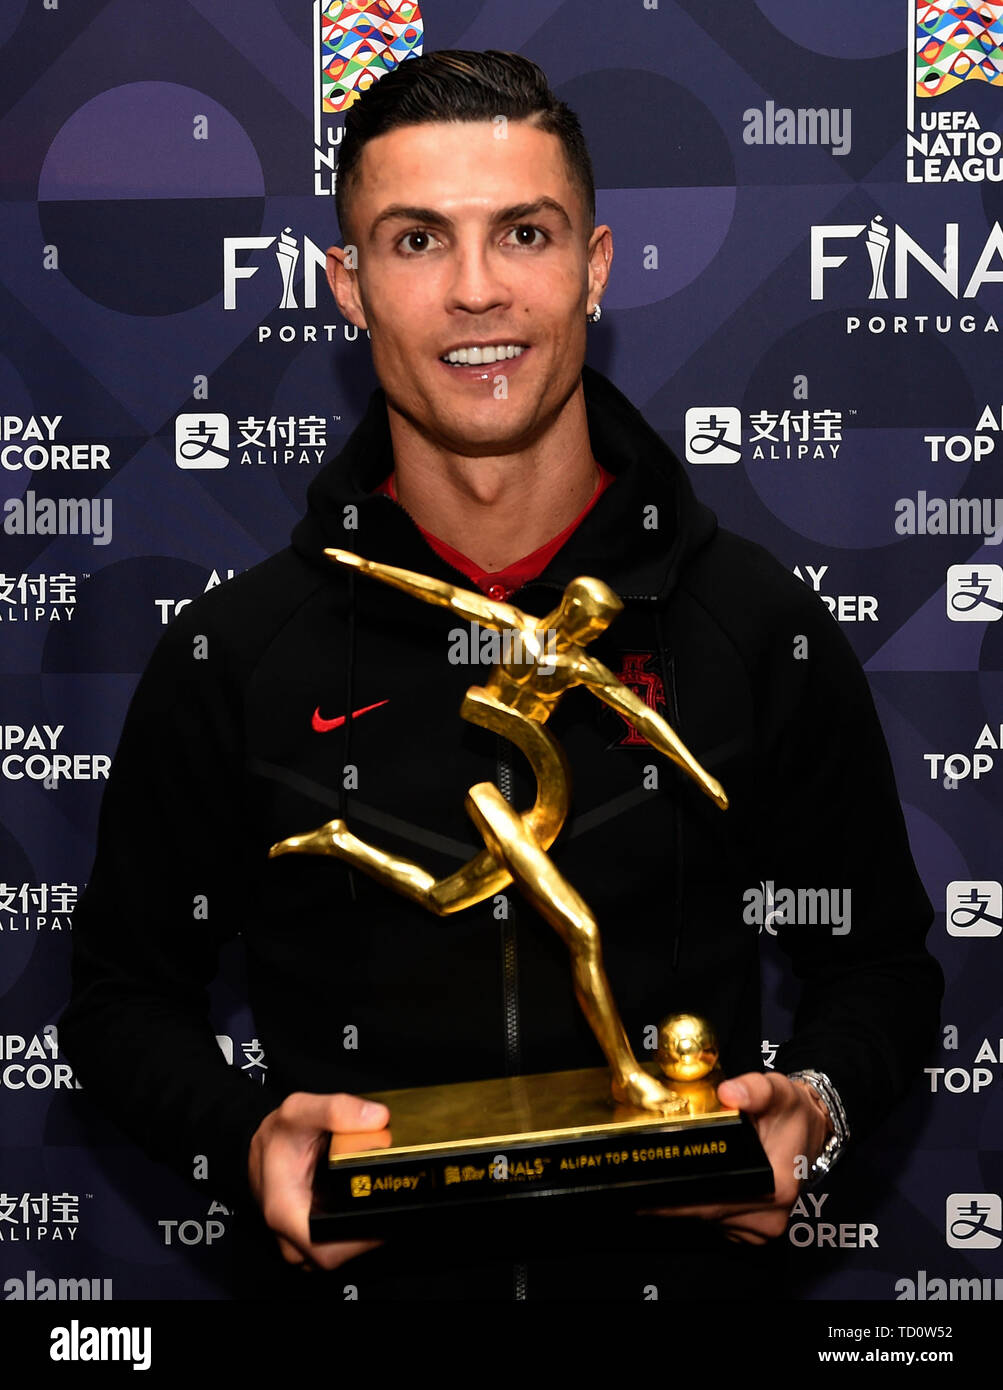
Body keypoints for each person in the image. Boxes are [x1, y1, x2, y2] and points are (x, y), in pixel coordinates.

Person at [60, 49, 942, 1301]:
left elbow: (882, 971)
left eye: (522, 233)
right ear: (347, 287)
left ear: (592, 267)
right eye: (416, 241)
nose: (477, 292)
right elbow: (120, 1001)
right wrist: (244, 1137)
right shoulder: (236, 654)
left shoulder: (753, 625)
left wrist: (818, 1106)